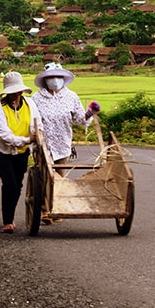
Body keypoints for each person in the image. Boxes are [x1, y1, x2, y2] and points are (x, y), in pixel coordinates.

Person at [32, 62, 100, 223]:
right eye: (51, 77)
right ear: (45, 80)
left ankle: (56, 208)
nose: (55, 80)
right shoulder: (36, 99)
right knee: (44, 176)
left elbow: (79, 120)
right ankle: (44, 209)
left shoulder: (71, 97)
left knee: (60, 177)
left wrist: (89, 113)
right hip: (43, 145)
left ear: (63, 78)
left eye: (58, 77)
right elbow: (32, 121)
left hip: (63, 144)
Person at [0, 71, 42, 234]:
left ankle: (10, 218)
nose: (15, 95)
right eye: (12, 92)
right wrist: (27, 139)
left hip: (22, 153)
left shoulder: (30, 105)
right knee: (10, 184)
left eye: (18, 92)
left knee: (18, 185)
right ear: (7, 92)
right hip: (2, 152)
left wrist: (36, 136)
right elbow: (5, 136)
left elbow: (36, 124)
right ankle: (7, 221)